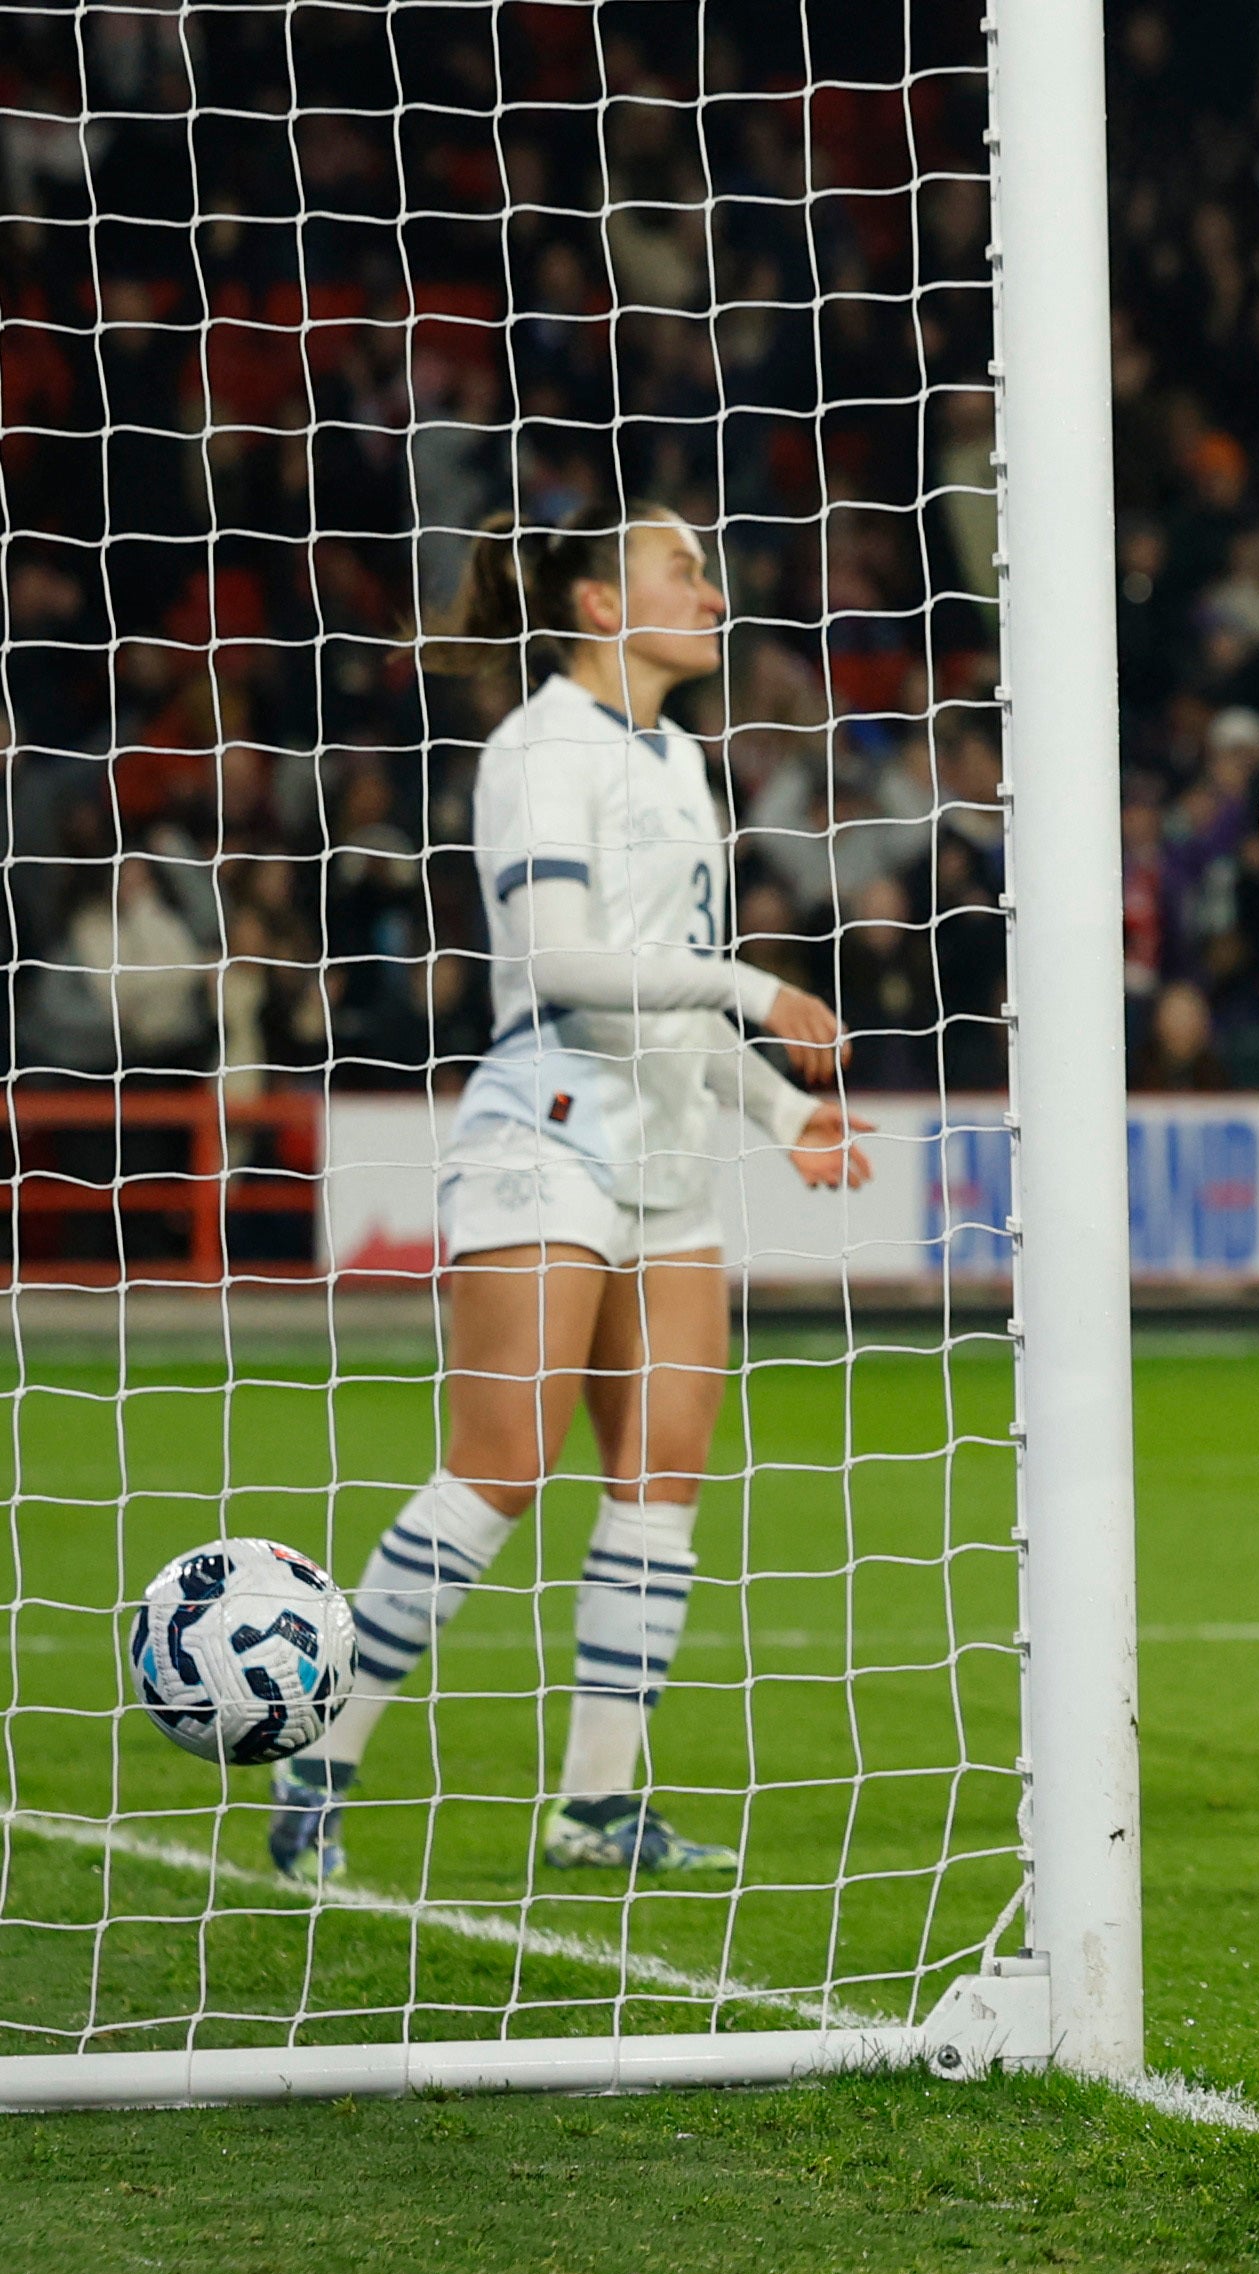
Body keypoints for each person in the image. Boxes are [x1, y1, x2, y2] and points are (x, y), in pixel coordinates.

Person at [271, 502, 870, 1882]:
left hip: (672, 1146)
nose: (714, 593)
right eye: (683, 569)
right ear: (601, 603)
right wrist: (757, 986)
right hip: (548, 1123)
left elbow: (671, 991)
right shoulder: (537, 744)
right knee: (502, 1459)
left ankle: (599, 1801)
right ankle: (323, 1751)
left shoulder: (677, 755)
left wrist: (782, 1111)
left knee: (660, 1475)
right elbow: (561, 961)